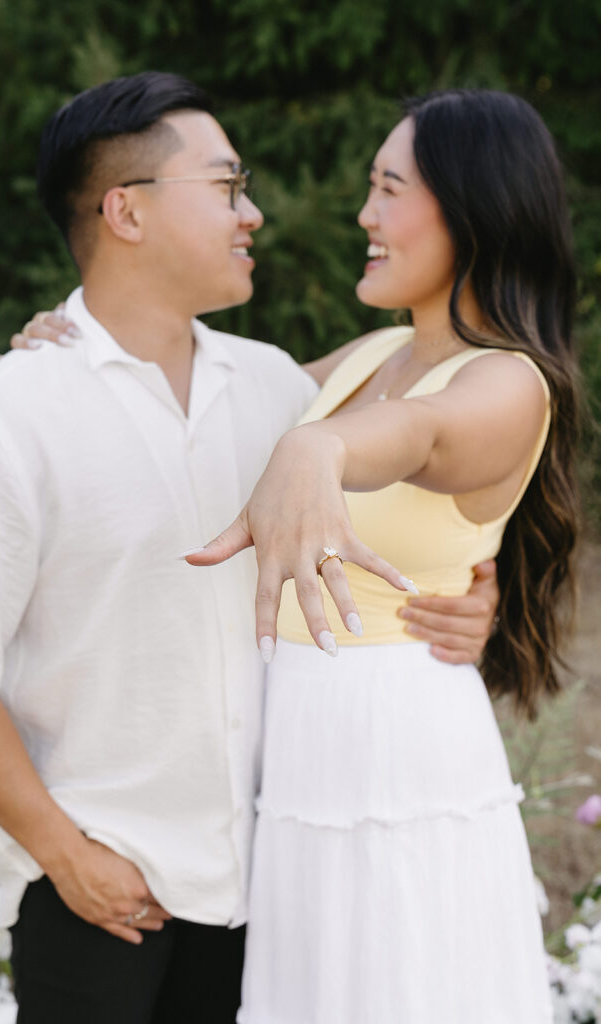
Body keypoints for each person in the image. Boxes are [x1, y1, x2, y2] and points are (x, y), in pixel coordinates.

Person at [0, 73, 496, 1024]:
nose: (253, 214)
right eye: (227, 187)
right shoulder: (9, 416)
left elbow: (438, 475)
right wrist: (66, 855)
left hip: (270, 891)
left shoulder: (277, 391)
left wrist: (478, 597)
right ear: (126, 211)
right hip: (98, 900)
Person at [186, 90, 579, 1023]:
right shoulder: (376, 352)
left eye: (387, 188)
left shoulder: (506, 382)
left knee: (402, 984)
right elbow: (215, 386)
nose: (365, 215)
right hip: (302, 737)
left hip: (393, 743)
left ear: (472, 208)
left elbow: (416, 435)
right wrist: (75, 337)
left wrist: (319, 448)